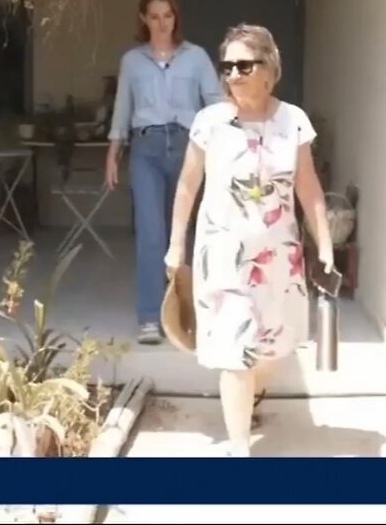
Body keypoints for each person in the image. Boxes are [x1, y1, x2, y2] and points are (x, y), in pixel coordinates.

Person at [164, 23, 333, 456]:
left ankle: (253, 395)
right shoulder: (209, 122)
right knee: (234, 349)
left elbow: (309, 189)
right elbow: (187, 186)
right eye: (228, 67)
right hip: (221, 255)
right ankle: (239, 448)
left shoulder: (293, 122)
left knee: (272, 350)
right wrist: (176, 245)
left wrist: (326, 245)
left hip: (279, 259)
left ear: (269, 70)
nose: (234, 74)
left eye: (244, 65)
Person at [107, 0, 224, 345]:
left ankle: (193, 314)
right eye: (154, 16)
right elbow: (122, 110)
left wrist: (223, 148)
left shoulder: (196, 57)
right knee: (151, 233)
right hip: (146, 148)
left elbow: (216, 102)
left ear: (176, 18)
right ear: (144, 18)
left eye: (168, 16)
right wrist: (112, 154)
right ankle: (149, 318)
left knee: (190, 233)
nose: (162, 24)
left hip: (190, 147)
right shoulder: (132, 61)